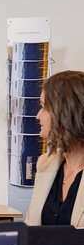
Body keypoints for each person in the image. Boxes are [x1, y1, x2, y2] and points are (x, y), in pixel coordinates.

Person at [25, 71, 84, 226]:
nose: (38, 116)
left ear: (65, 113)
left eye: (44, 108)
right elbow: (31, 229)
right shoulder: (45, 163)